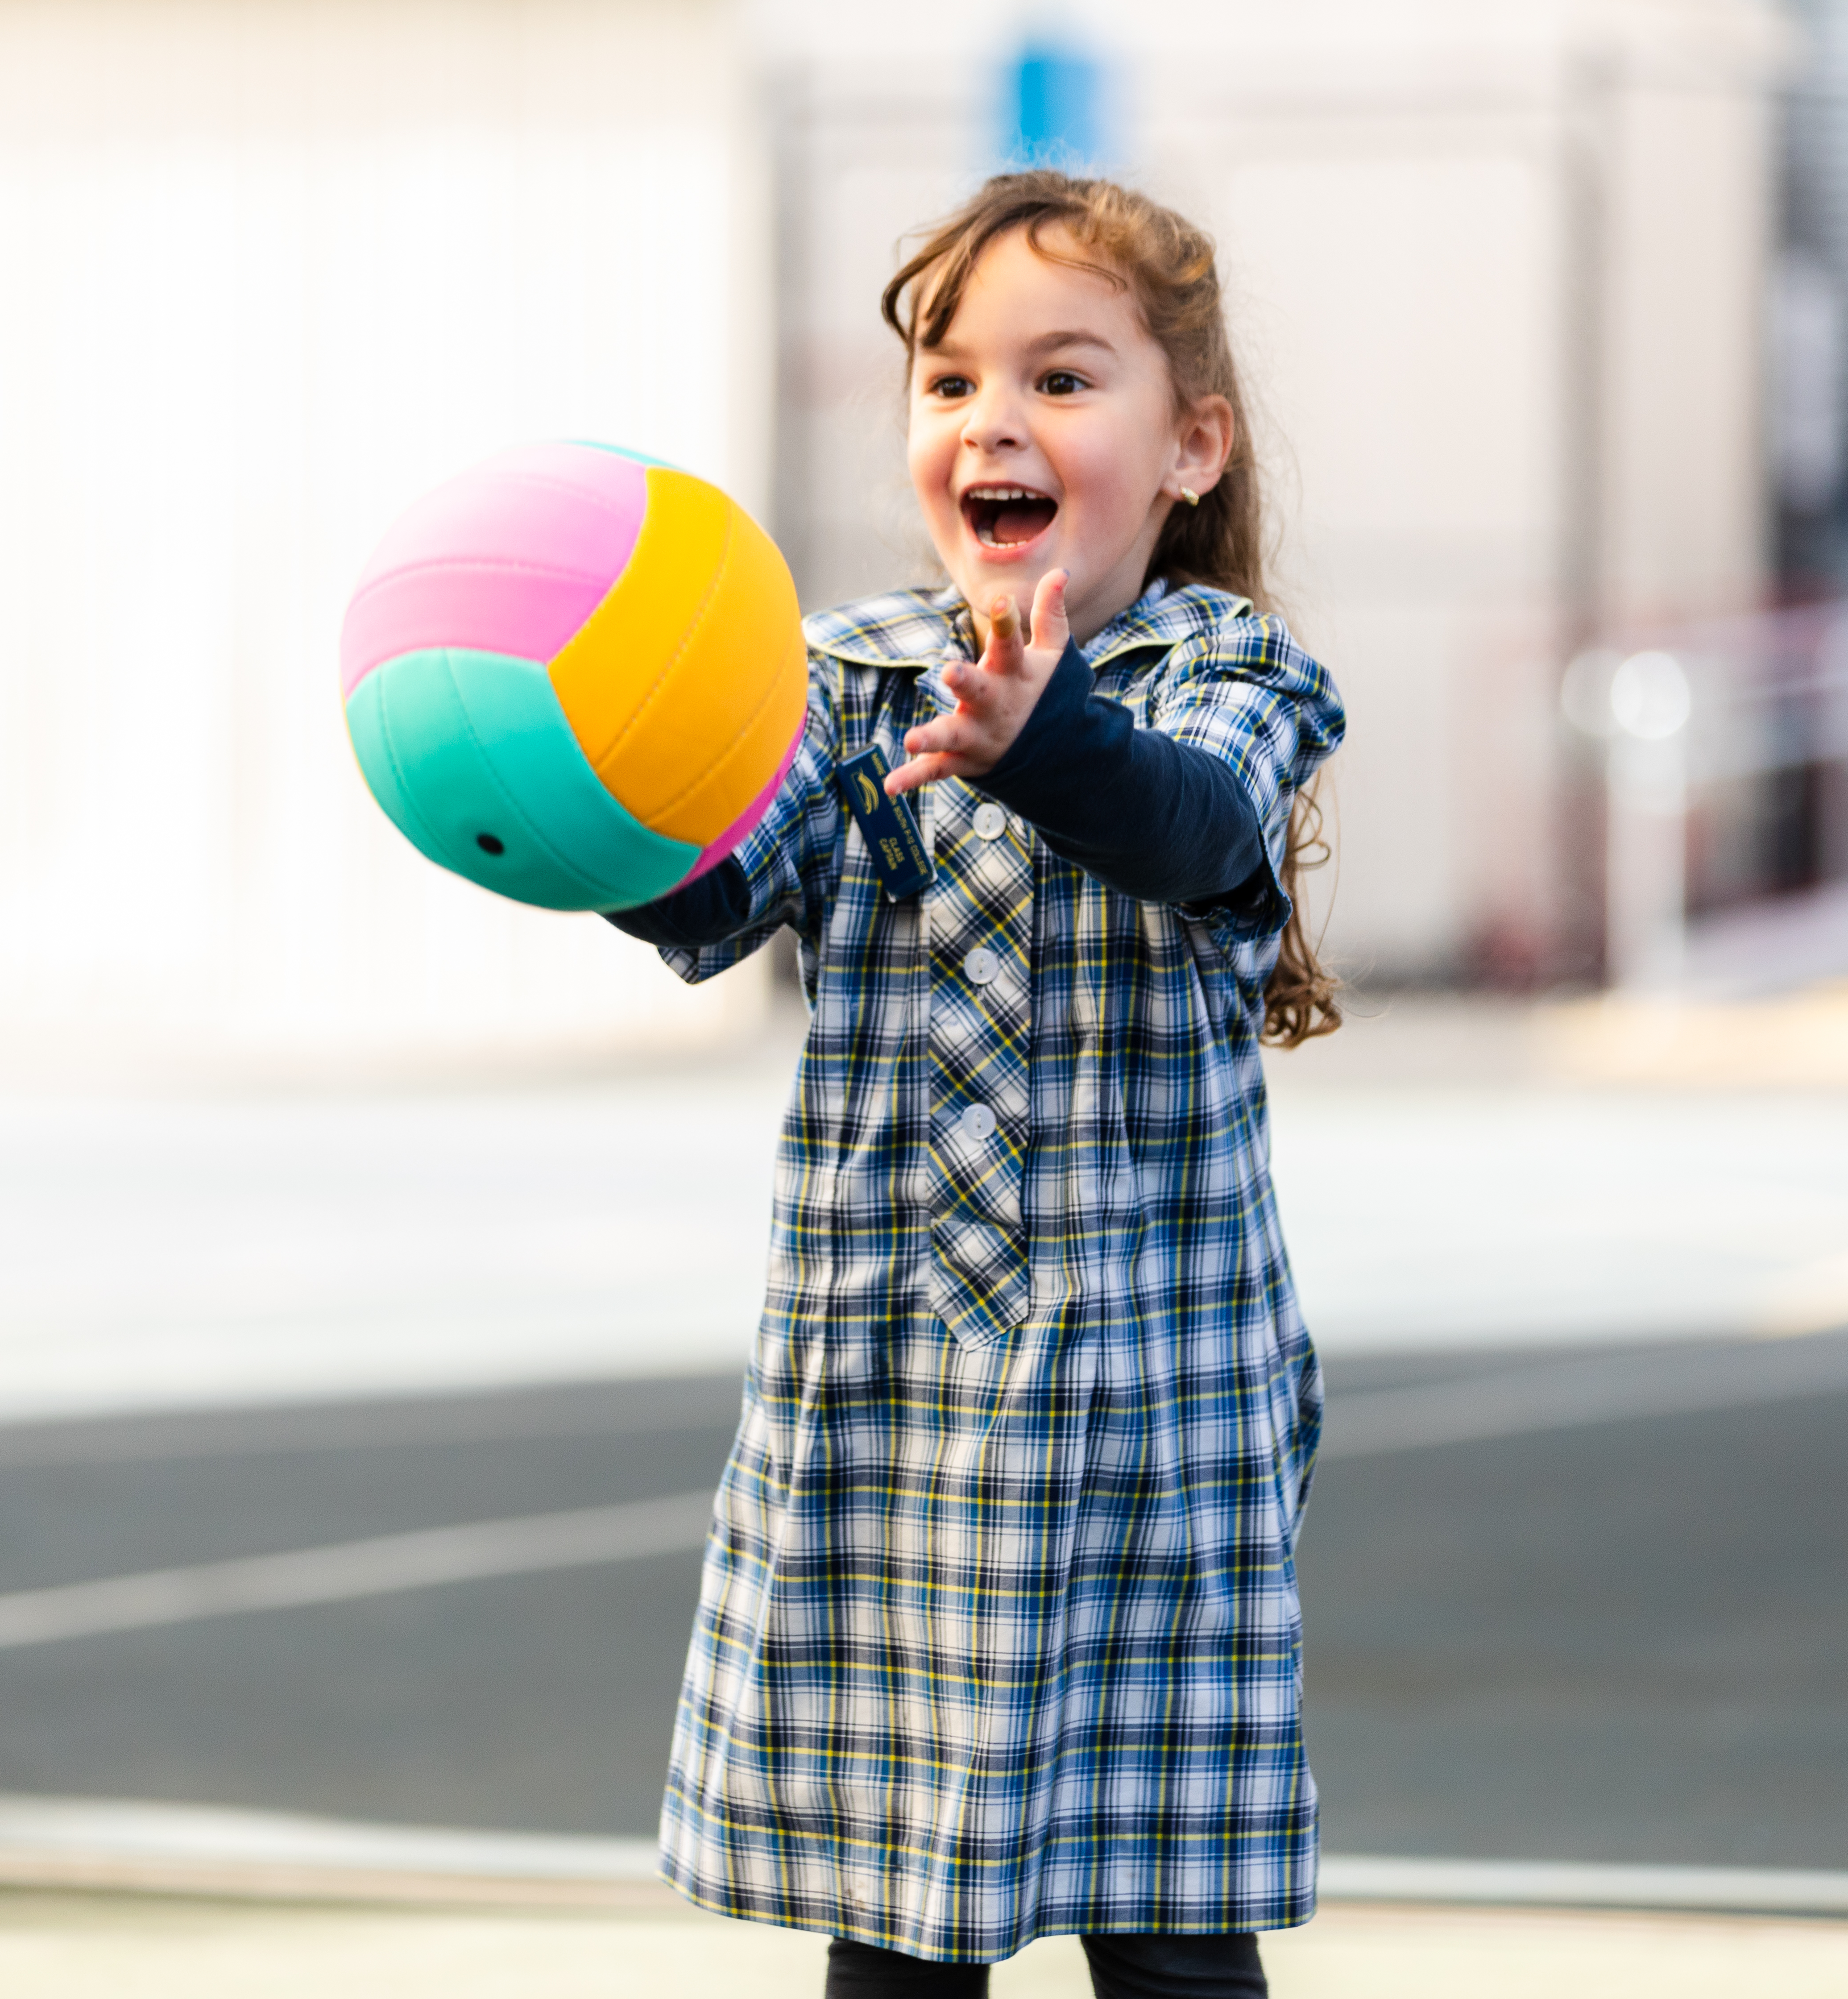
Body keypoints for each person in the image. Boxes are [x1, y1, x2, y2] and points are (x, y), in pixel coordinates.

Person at [605, 170, 1347, 1999]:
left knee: (1173, 1932)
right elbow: (719, 887)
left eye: (1062, 379)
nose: (991, 419)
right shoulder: (842, 687)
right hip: (901, 1417)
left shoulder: (1226, 677)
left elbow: (1189, 830)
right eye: (949, 383)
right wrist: (582, 818)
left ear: (1192, 445)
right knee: (904, 1929)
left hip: (1150, 1432)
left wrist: (1042, 738)